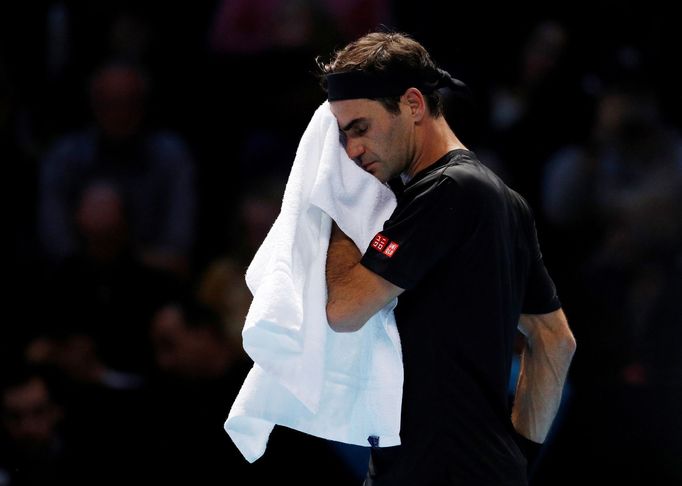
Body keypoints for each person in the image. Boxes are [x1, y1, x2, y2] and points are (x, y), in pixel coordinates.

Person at [317, 31, 576, 485]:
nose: (352, 151)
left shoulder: (443, 192)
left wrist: (338, 210)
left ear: (414, 105)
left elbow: (343, 310)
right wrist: (516, 458)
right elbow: (555, 339)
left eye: (360, 128)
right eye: (342, 137)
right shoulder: (503, 198)